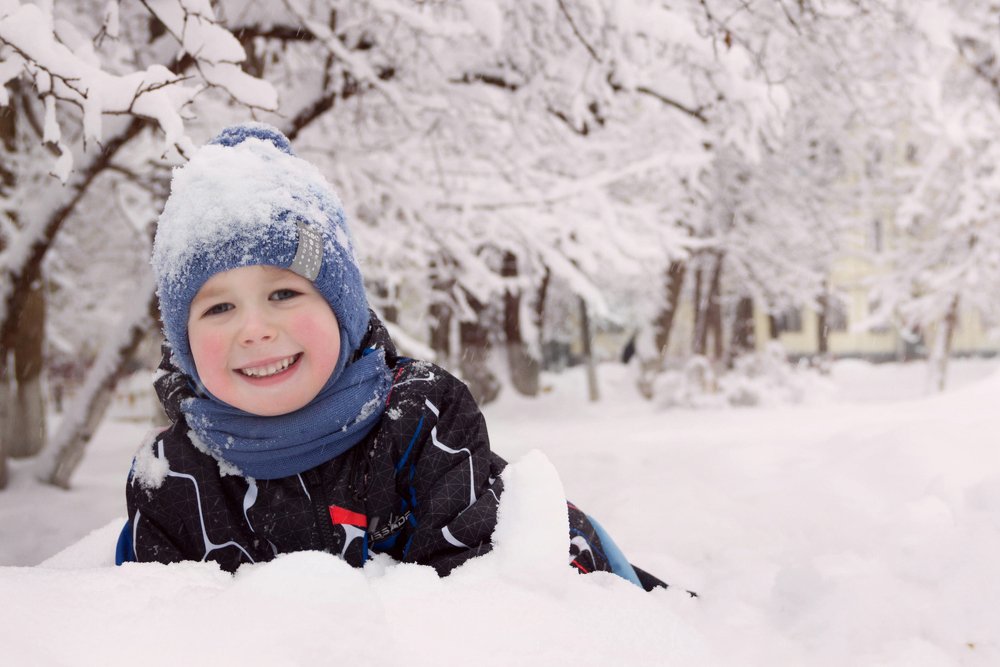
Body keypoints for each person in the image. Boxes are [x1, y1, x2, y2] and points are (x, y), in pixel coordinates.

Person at [120, 123, 671, 592]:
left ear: (343, 310)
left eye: (284, 294)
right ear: (182, 342)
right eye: (218, 308)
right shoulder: (173, 478)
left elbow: (485, 600)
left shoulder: (418, 421)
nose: (255, 330)